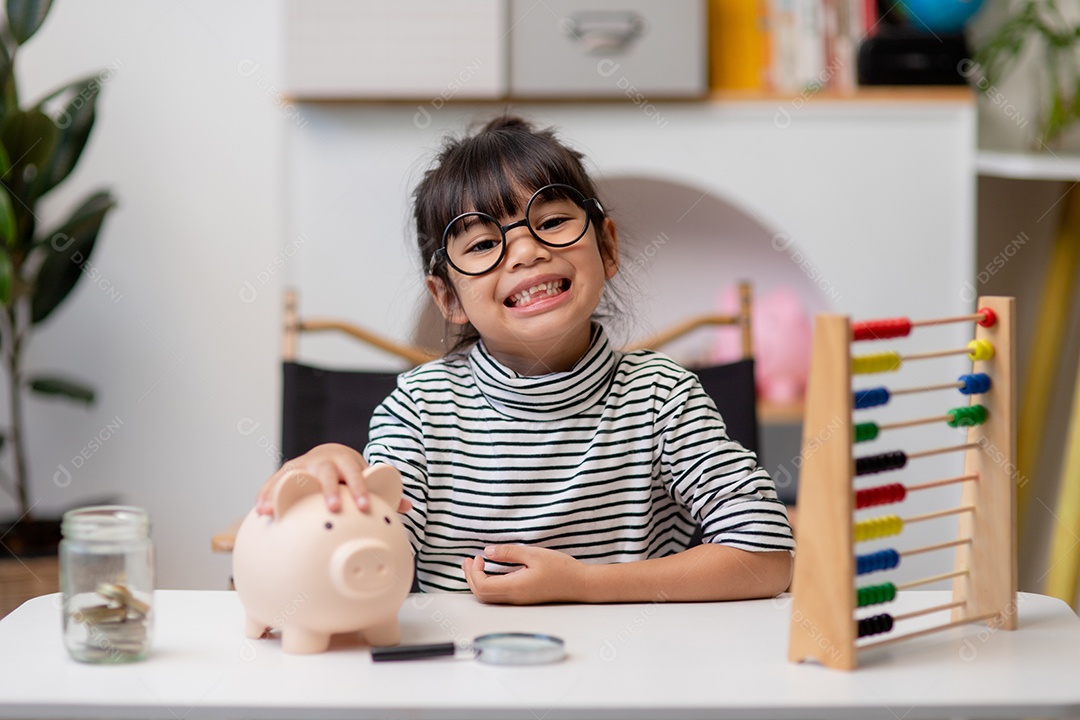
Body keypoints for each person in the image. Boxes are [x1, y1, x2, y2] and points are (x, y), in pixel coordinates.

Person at [257, 115, 794, 604]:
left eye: (553, 220)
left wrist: (584, 585)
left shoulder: (663, 396)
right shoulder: (420, 409)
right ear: (447, 297)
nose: (525, 251)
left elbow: (767, 557)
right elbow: (368, 553)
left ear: (607, 246)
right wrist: (335, 473)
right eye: (482, 244)